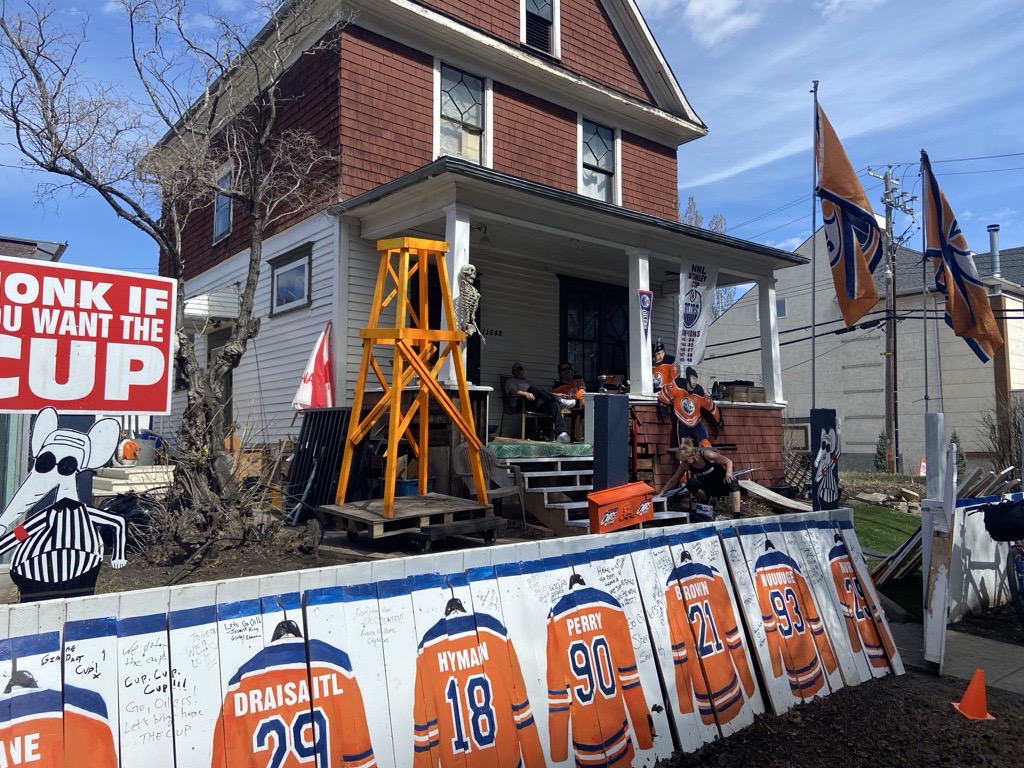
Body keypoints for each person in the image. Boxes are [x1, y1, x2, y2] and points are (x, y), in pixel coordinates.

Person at [658, 438, 740, 516]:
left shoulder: (707, 455)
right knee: (691, 483)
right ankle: (706, 499)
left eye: (686, 460)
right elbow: (674, 480)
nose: (685, 463)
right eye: (683, 461)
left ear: (692, 454)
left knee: (733, 481)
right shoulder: (685, 465)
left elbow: (728, 461)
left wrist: (728, 474)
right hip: (707, 487)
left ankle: (736, 514)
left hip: (721, 484)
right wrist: (661, 493)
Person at [505, 362, 573, 443]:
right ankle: (559, 400)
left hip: (533, 403)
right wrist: (525, 393)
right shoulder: (510, 381)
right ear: (512, 372)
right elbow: (514, 392)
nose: (517, 371)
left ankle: (561, 433)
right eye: (514, 369)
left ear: (523, 371)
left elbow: (541, 393)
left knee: (553, 403)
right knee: (532, 389)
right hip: (521, 403)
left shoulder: (529, 382)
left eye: (519, 369)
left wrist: (555, 395)